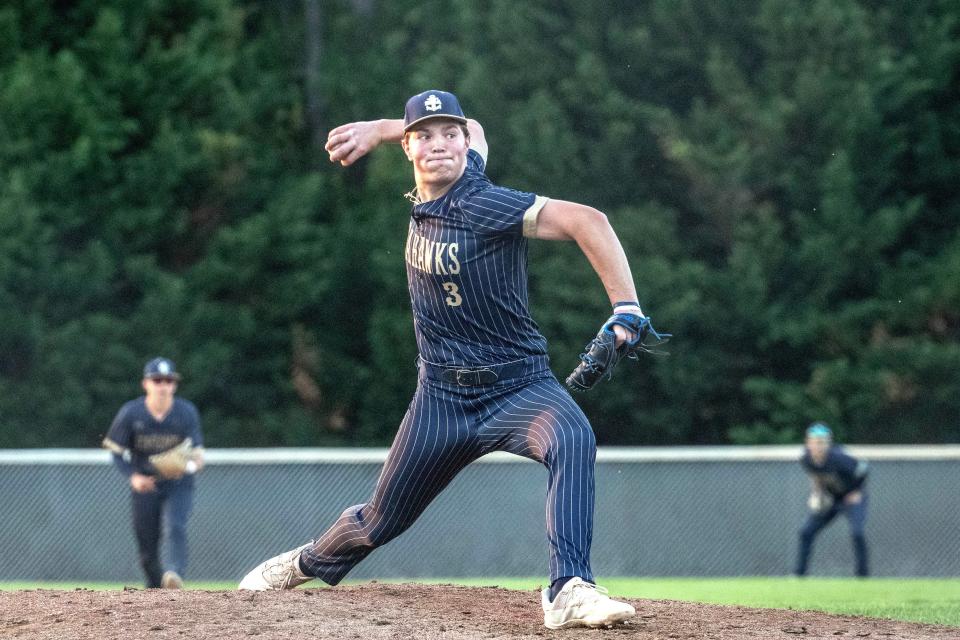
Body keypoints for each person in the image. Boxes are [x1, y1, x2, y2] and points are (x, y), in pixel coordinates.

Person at [239, 90, 657, 629]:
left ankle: (569, 588)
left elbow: (589, 221)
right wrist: (378, 126)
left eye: (451, 134)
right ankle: (303, 562)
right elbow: (474, 124)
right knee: (379, 521)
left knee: (572, 440)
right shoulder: (434, 180)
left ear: (464, 146)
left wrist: (626, 308)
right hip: (441, 398)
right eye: (426, 135)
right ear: (409, 149)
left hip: (518, 387)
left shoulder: (484, 202)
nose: (442, 144)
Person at [102, 357, 205, 589]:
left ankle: (174, 573)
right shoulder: (131, 413)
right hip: (146, 483)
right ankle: (155, 591)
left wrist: (187, 466)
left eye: (168, 380)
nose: (162, 385)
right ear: (146, 384)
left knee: (176, 525)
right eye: (157, 380)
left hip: (178, 482)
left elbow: (198, 457)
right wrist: (134, 477)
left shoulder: (186, 412)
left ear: (174, 385)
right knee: (146, 548)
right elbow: (116, 453)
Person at [794, 422, 869, 577]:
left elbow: (863, 468)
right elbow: (816, 476)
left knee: (857, 532)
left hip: (851, 498)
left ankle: (862, 576)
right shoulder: (806, 459)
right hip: (831, 499)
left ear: (828, 443)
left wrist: (856, 491)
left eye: (822, 442)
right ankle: (799, 575)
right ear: (808, 443)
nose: (818, 446)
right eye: (815, 442)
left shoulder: (838, 458)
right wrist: (816, 493)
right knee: (806, 532)